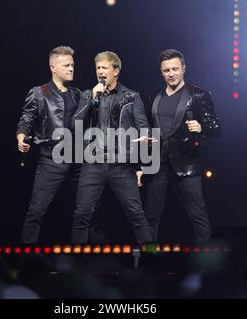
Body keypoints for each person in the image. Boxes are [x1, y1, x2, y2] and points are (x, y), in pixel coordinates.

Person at [16, 46, 104, 243]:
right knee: (36, 211)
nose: (71, 69)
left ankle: (98, 262)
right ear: (53, 67)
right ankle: (25, 262)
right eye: (66, 65)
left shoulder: (78, 94)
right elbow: (27, 118)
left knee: (90, 209)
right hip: (51, 159)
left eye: (72, 65)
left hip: (78, 159)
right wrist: (21, 135)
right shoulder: (39, 93)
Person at [71, 51, 154, 244]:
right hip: (93, 164)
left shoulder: (131, 96)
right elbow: (75, 123)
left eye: (104, 67)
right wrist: (91, 98)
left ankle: (151, 260)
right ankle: (76, 265)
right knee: (81, 216)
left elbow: (143, 126)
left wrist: (143, 152)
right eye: (98, 68)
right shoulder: (87, 95)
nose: (100, 72)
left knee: (137, 216)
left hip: (122, 165)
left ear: (116, 71)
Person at [143, 49, 221, 243]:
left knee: (197, 216)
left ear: (184, 68)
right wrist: (141, 164)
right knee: (150, 217)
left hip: (186, 164)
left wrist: (201, 127)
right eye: (166, 70)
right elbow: (150, 130)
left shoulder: (198, 95)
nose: (171, 73)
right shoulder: (154, 97)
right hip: (158, 164)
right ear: (161, 72)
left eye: (175, 69)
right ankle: (147, 262)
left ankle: (208, 264)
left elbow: (216, 128)